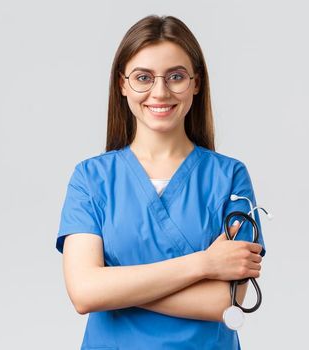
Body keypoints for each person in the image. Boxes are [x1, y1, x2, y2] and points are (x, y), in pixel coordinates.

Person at [55, 15, 266, 349]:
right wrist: (204, 264)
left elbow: (225, 301)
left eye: (176, 77)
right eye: (143, 77)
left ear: (196, 82)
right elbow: (84, 293)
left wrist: (113, 287)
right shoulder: (91, 179)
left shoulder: (229, 178)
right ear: (122, 84)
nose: (160, 92)